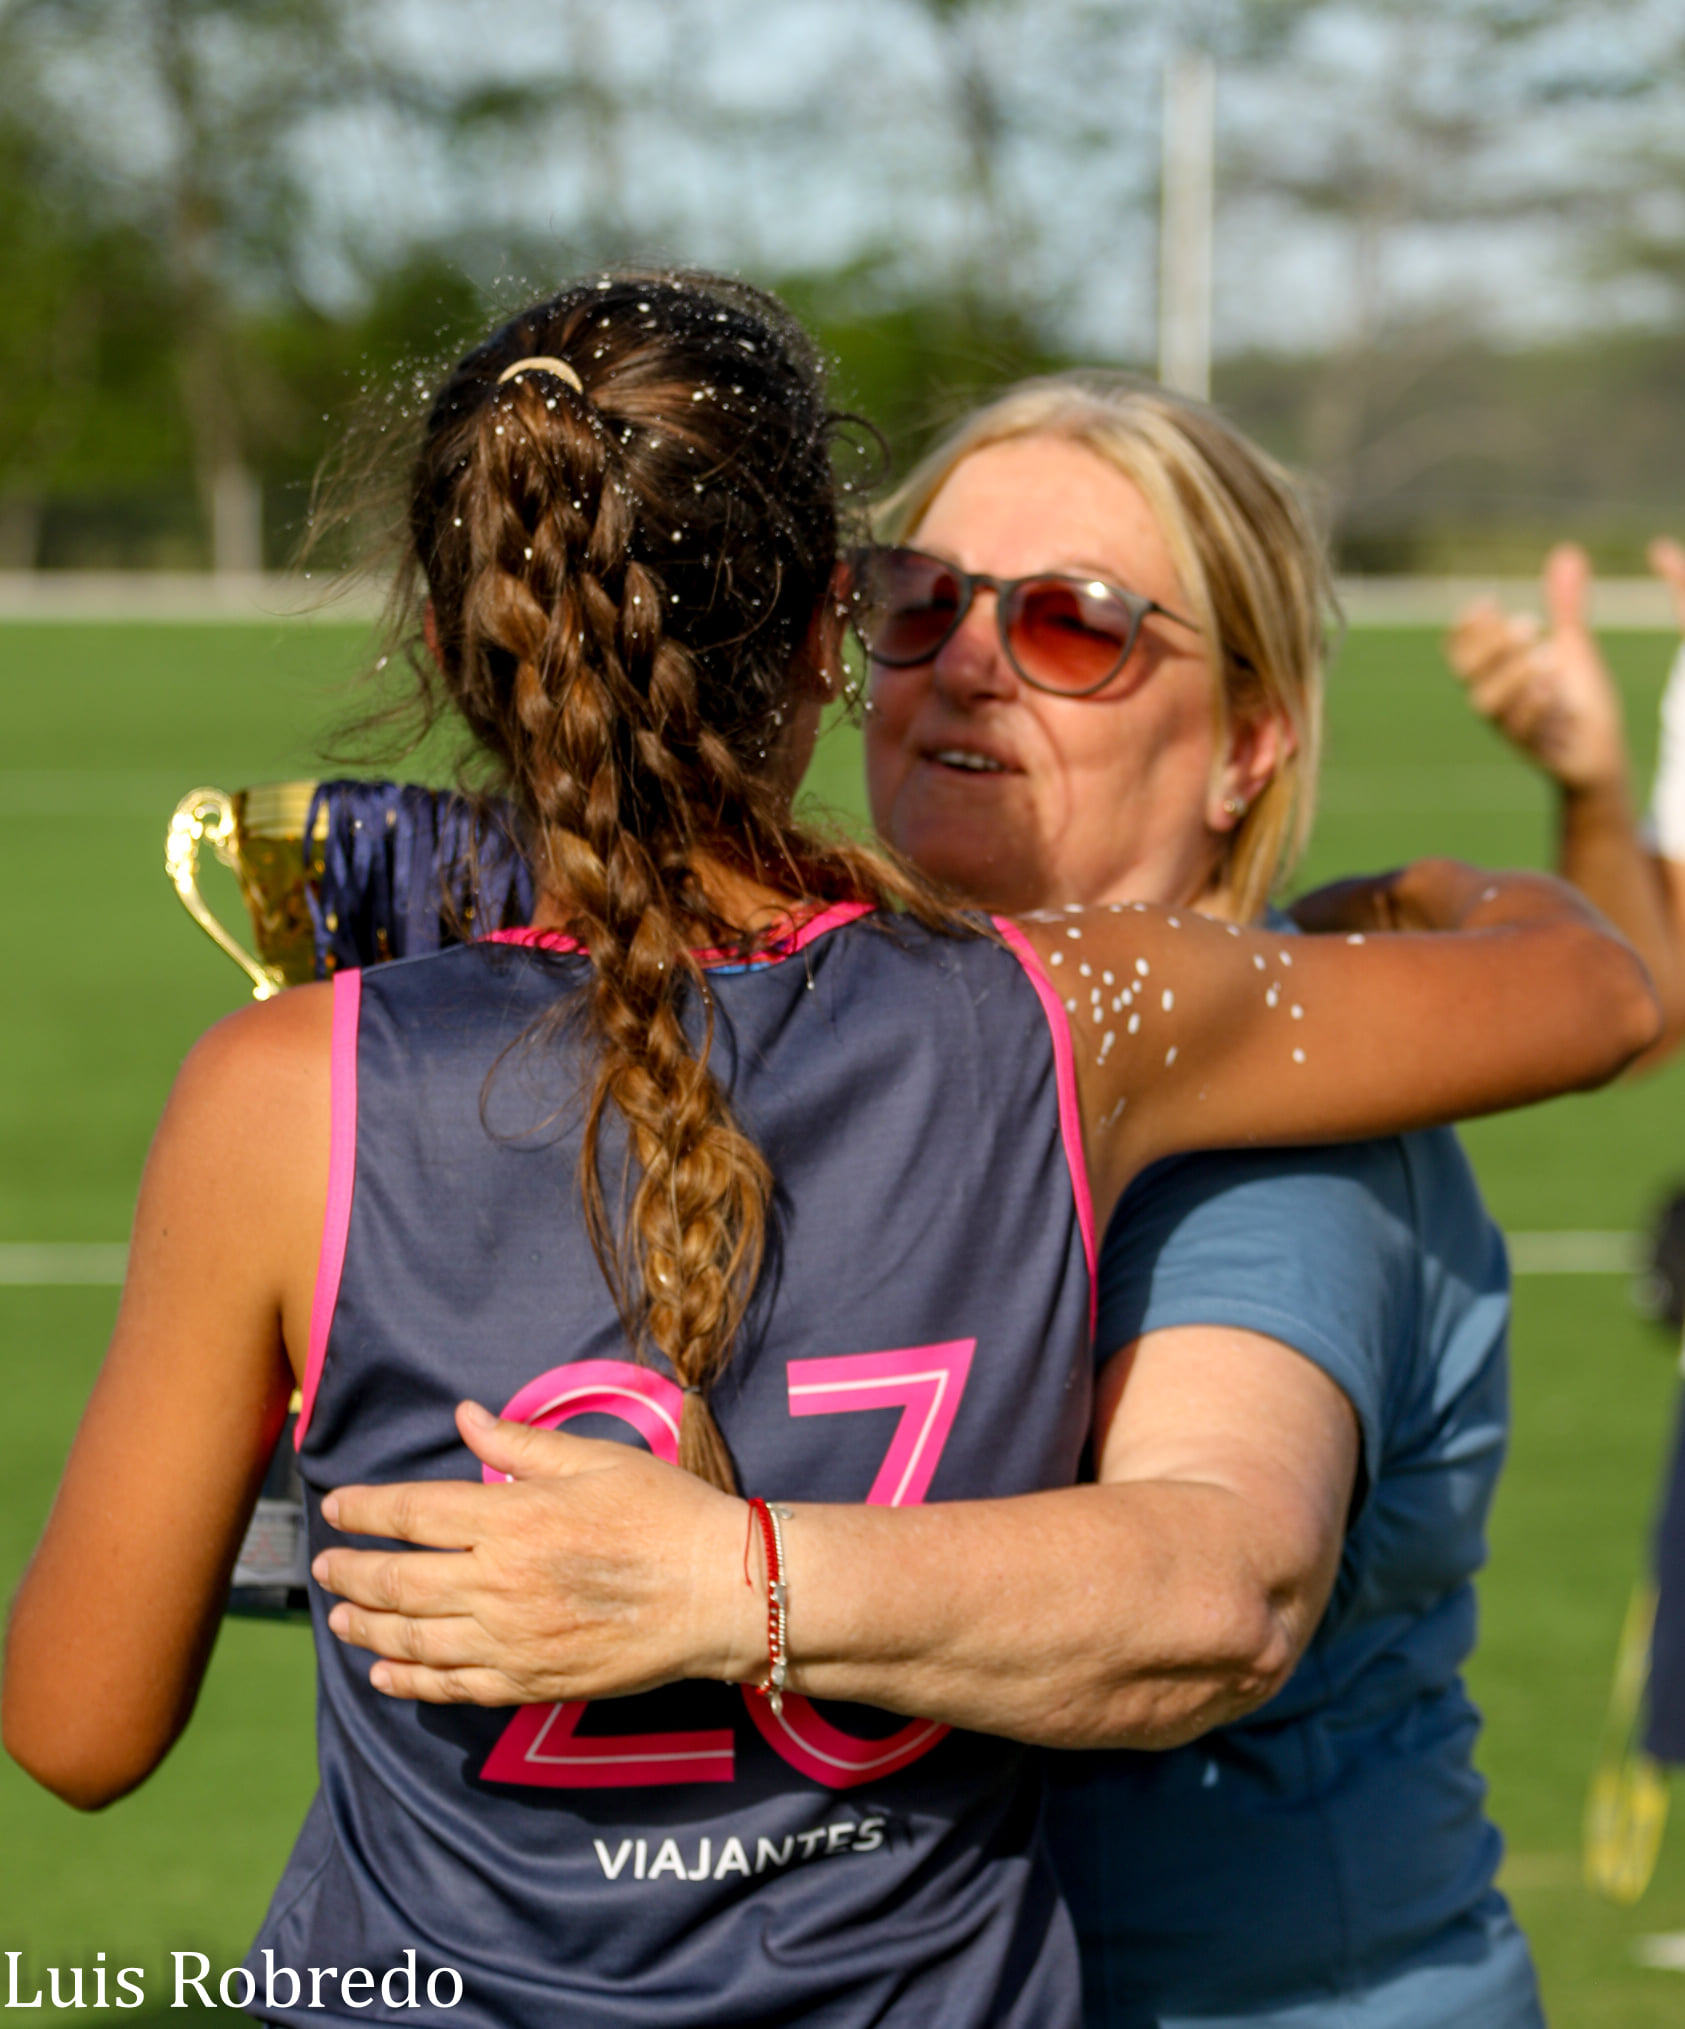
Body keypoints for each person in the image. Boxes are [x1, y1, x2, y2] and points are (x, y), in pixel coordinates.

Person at [5, 283, 1654, 2029]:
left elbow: (78, 1723)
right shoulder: (1079, 1021)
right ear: (825, 637)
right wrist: (1377, 916)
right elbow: (1596, 989)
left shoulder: (292, 1083)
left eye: (1079, 625)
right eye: (921, 600)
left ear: (444, 633)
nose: (969, 658)